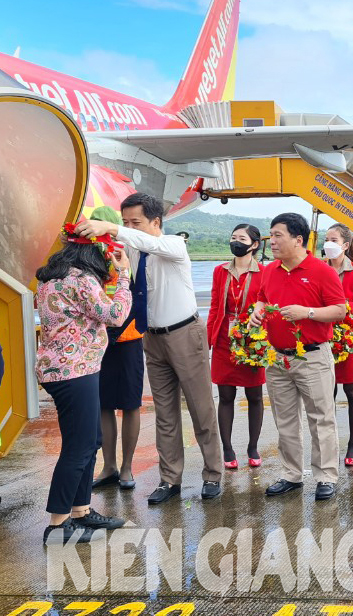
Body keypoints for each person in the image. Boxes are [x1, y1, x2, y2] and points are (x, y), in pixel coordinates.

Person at [75, 193, 223, 504]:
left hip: (184, 334)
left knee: (201, 409)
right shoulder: (132, 248)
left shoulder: (173, 245)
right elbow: (111, 251)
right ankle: (169, 479)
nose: (128, 228)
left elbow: (146, 242)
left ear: (156, 222)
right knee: (165, 414)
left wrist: (114, 229)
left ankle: (212, 474)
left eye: (136, 222)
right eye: (125, 222)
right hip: (151, 338)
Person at [35, 230, 131, 544]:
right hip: (74, 371)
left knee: (91, 441)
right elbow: (115, 315)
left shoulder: (52, 277)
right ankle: (58, 525)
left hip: (64, 370)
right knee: (79, 447)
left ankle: (80, 511)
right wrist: (124, 275)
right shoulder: (81, 280)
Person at [249, 213, 347, 501]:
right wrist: (257, 311)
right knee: (285, 420)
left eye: (278, 235)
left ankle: (326, 476)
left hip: (313, 357)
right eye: (271, 235)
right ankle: (291, 474)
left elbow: (340, 310)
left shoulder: (322, 271)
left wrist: (308, 313)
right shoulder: (270, 270)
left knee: (321, 419)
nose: (272, 241)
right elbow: (262, 297)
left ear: (298, 239)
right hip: (278, 358)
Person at [89, 205, 145, 492]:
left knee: (130, 403)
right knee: (104, 404)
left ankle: (127, 467)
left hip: (127, 337)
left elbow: (139, 293)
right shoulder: (87, 255)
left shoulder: (128, 252)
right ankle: (109, 466)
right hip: (98, 338)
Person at [207, 224, 266, 470]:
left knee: (254, 395)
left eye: (242, 239)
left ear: (254, 244)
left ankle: (253, 447)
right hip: (224, 339)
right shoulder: (220, 271)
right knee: (226, 396)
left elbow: (268, 306)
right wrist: (209, 339)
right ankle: (228, 448)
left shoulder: (264, 272)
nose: (236, 242)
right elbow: (214, 306)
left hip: (252, 340)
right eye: (233, 238)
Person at [323, 223, 353, 466]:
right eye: (326, 239)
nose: (328, 244)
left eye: (333, 240)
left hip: (349, 338)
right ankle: (329, 443)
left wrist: (343, 308)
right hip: (324, 335)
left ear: (345, 245)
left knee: (352, 391)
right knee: (326, 393)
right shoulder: (319, 269)